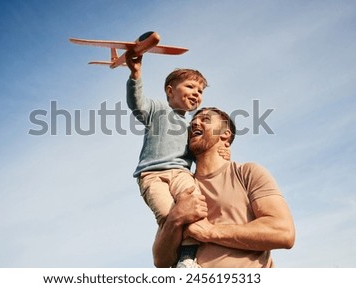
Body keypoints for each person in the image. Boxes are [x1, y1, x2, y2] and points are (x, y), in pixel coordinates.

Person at [152, 107, 295, 268]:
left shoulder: (247, 173)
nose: (194, 124)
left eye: (205, 120)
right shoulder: (180, 186)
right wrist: (175, 218)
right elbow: (161, 261)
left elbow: (283, 232)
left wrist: (210, 232)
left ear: (225, 134)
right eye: (192, 122)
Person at [125, 51, 223, 268]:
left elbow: (200, 153)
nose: (196, 93)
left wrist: (222, 152)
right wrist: (135, 75)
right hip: (152, 175)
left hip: (181, 173)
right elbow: (136, 102)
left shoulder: (191, 127)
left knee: (196, 207)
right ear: (170, 91)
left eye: (200, 91)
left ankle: (187, 257)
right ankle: (171, 257)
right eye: (190, 87)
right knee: (167, 215)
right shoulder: (157, 110)